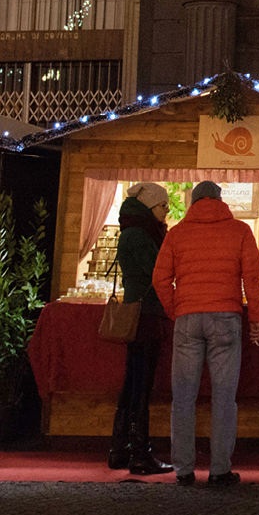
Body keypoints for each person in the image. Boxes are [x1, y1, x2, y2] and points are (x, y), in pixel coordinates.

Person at [152, 180, 259, 486]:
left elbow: (160, 278)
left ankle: (184, 470)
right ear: (220, 199)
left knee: (183, 399)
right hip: (226, 318)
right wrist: (256, 317)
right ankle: (219, 470)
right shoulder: (239, 230)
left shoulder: (176, 234)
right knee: (224, 398)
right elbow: (252, 276)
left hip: (188, 319)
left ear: (192, 201)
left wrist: (177, 309)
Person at [107, 183, 172, 477]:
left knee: (132, 382)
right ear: (149, 207)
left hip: (139, 313)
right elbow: (159, 270)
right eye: (162, 206)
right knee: (141, 386)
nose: (166, 212)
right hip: (147, 314)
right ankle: (139, 453)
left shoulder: (131, 230)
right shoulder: (142, 235)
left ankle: (119, 449)